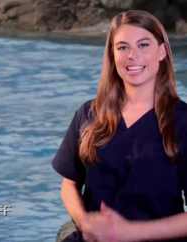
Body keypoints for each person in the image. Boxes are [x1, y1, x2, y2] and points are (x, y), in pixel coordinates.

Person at [52, 10, 187, 242]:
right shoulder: (88, 113)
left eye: (143, 45)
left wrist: (130, 233)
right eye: (123, 47)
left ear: (162, 51)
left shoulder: (182, 121)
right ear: (113, 55)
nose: (132, 55)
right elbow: (70, 184)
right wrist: (85, 223)